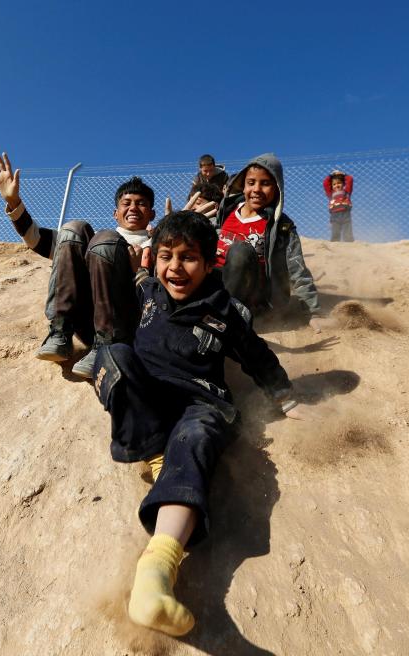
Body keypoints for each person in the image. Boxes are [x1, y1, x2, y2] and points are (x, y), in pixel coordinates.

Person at [92, 210, 310, 636]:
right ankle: (155, 453)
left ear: (210, 263)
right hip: (148, 402)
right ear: (154, 261)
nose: (176, 266)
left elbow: (257, 356)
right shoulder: (147, 292)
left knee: (195, 438)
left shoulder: (225, 310)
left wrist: (285, 398)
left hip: (201, 403)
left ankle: (155, 573)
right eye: (166, 256)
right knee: (113, 356)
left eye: (189, 257)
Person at [0, 151, 152, 378]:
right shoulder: (96, 241)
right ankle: (60, 332)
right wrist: (14, 202)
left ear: (151, 213)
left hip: (127, 326)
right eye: (127, 203)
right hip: (87, 323)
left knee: (105, 240)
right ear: (115, 213)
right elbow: (37, 240)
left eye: (141, 204)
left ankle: (107, 349)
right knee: (74, 228)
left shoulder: (158, 246)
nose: (133, 207)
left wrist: (139, 271)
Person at [213, 153, 320, 319]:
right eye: (251, 183)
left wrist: (313, 312)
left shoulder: (281, 226)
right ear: (243, 186)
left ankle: (224, 318)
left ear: (277, 188)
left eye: (265, 183)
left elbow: (297, 268)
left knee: (240, 251)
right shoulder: (227, 211)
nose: (256, 189)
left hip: (251, 296)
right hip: (216, 282)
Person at [323, 169, 354, 242]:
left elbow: (350, 179)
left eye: (339, 183)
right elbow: (325, 183)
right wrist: (331, 175)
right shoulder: (330, 194)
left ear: (343, 184)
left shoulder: (346, 192)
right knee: (335, 231)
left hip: (346, 213)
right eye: (334, 184)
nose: (337, 185)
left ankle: (349, 244)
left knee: (347, 230)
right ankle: (335, 244)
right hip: (334, 215)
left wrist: (343, 174)